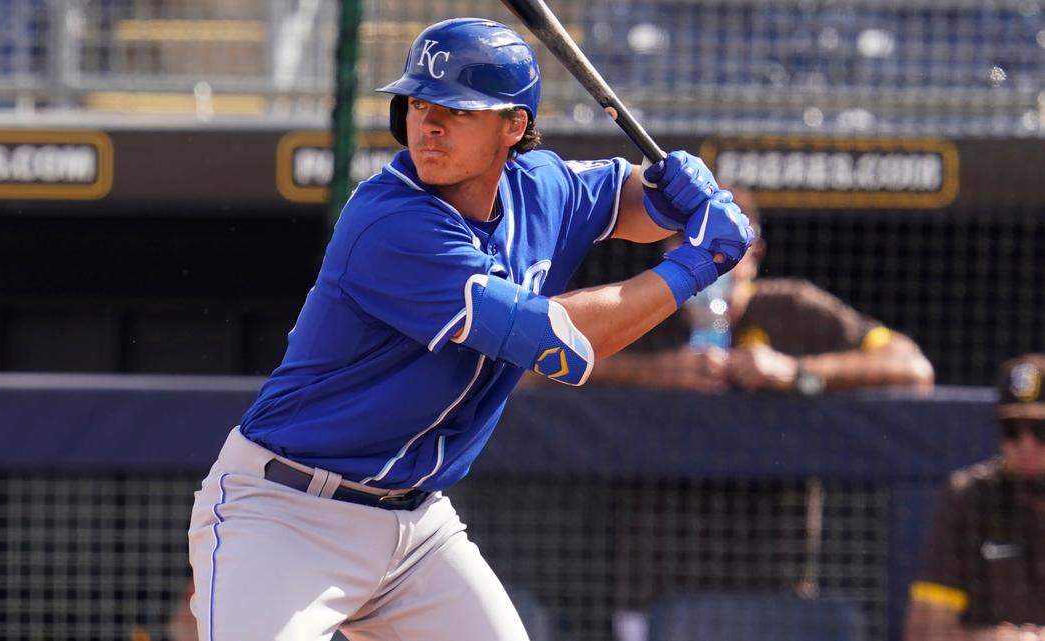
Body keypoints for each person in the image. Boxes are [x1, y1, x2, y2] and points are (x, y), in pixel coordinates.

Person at [186, 17, 753, 641]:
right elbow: (559, 343)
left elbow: (623, 198)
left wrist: (669, 195)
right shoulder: (391, 221)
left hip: (416, 528)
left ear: (513, 126)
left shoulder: (539, 187)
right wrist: (694, 264)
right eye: (420, 103)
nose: (428, 124)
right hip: (289, 516)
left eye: (458, 110)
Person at [587, 187, 933, 394]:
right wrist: (654, 372)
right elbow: (542, 370)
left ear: (755, 254)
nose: (709, 258)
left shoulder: (791, 306)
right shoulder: (644, 307)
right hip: (655, 506)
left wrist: (797, 373)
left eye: (724, 242)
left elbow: (913, 367)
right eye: (691, 240)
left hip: (775, 508)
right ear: (668, 246)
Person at [904, 353, 1045, 641]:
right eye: (1012, 431)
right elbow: (923, 631)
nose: (1026, 444)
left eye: (1041, 431)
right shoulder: (969, 498)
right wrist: (994, 639)